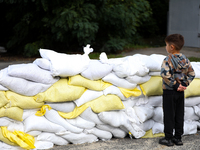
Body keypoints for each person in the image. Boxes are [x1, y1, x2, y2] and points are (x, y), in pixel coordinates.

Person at [159, 34, 195, 146]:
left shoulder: (167, 59)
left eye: (166, 45)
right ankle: (178, 138)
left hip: (169, 92)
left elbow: (165, 75)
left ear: (172, 47)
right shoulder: (185, 59)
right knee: (179, 115)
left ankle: (168, 139)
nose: (166, 47)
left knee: (169, 115)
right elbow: (192, 74)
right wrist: (184, 84)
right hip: (180, 92)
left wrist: (175, 85)